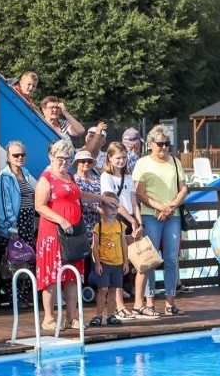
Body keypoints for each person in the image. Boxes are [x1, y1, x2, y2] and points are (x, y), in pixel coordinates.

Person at [34, 140, 116, 331]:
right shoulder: (46, 179)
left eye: (67, 158)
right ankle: (49, 318)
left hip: (73, 235)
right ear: (51, 157)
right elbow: (40, 206)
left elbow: (79, 196)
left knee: (71, 276)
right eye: (60, 158)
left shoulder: (70, 177)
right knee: (52, 277)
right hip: (54, 234)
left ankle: (72, 316)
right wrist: (61, 220)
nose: (63, 161)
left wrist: (102, 198)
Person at [133, 125, 187, 317]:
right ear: (150, 144)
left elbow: (183, 189)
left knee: (172, 259)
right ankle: (149, 301)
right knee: (150, 259)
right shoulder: (142, 163)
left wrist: (170, 207)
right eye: (160, 144)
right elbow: (140, 193)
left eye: (167, 144)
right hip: (151, 214)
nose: (163, 148)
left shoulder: (175, 161)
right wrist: (160, 207)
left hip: (173, 215)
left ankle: (170, 302)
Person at [100, 142, 144, 320]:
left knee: (137, 261)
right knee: (117, 264)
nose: (121, 161)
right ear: (110, 157)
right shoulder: (106, 176)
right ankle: (118, 306)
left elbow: (134, 201)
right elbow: (113, 202)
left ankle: (137, 303)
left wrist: (139, 222)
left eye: (124, 158)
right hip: (116, 220)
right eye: (118, 158)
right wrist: (131, 219)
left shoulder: (127, 176)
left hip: (131, 219)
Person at [0, 141, 38, 307]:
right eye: (15, 155)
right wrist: (11, 227)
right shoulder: (4, 177)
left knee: (27, 259)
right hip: (13, 225)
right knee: (11, 261)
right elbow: (4, 205)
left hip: (27, 222)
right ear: (8, 157)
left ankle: (25, 297)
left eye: (22, 154)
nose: (20, 158)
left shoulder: (25, 173)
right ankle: (15, 298)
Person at [89, 194, 127, 328]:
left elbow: (123, 244)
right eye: (111, 207)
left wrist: (126, 262)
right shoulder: (99, 226)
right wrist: (98, 263)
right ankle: (98, 315)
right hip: (104, 262)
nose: (114, 210)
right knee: (103, 289)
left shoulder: (121, 226)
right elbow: (94, 246)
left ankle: (111, 315)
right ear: (103, 207)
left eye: (116, 207)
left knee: (113, 290)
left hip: (117, 263)